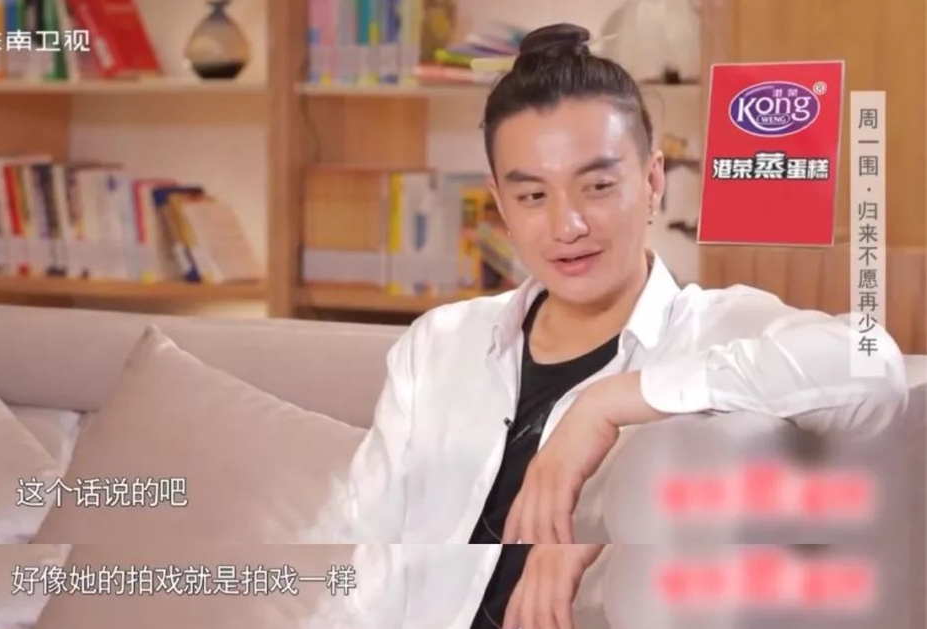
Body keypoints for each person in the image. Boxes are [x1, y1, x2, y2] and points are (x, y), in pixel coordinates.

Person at [299, 22, 908, 629]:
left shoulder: (714, 329)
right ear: (501, 204)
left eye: (597, 186)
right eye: (533, 197)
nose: (568, 226)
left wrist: (606, 404)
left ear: (653, 181)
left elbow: (872, 363)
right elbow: (363, 566)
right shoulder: (438, 344)